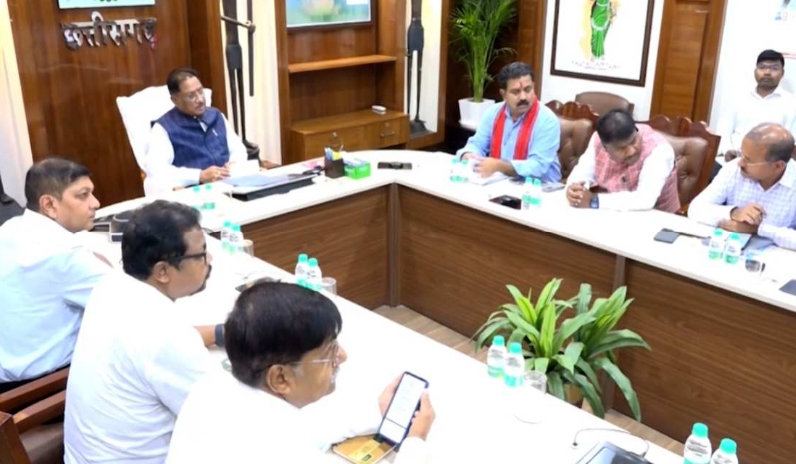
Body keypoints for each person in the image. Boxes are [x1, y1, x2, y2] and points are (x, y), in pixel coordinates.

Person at [166, 282, 435, 464]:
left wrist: (378, 415)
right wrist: (415, 443)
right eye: (329, 351)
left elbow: (303, 429)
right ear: (280, 378)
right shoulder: (285, 451)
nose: (342, 357)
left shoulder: (213, 385)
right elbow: (289, 442)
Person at [64, 200, 221, 464]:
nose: (210, 260)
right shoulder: (164, 333)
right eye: (201, 254)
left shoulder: (110, 286)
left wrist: (217, 332)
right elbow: (220, 415)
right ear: (162, 271)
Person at [0, 158, 108, 392]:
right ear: (49, 205)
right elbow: (130, 301)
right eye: (83, 195)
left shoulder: (10, 228)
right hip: (45, 388)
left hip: (8, 381)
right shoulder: (64, 254)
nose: (95, 203)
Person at [689, 123, 796, 250]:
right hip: (731, 247)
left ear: (778, 166)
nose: (740, 162)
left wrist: (759, 229)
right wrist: (734, 213)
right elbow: (695, 209)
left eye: (749, 160)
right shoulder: (734, 169)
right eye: (742, 154)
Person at [145, 67, 247, 191]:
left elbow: (238, 149)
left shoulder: (216, 115)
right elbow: (156, 169)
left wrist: (234, 164)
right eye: (191, 96)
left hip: (232, 185)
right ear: (175, 100)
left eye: (200, 91)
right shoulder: (164, 128)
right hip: (196, 191)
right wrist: (199, 175)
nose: (200, 99)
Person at [457, 62, 562, 182]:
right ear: (503, 94)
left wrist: (499, 166)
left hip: (539, 187)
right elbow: (477, 144)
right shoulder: (493, 113)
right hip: (499, 182)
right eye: (516, 92)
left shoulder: (547, 121)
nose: (523, 97)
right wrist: (468, 154)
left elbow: (538, 166)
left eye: (528, 90)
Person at [566, 109, 680, 212]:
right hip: (611, 212)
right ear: (606, 148)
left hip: (657, 218)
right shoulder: (598, 141)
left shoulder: (659, 150)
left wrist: (594, 200)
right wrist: (575, 191)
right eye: (621, 148)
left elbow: (644, 199)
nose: (631, 151)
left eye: (633, 141)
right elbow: (582, 173)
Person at [718, 50, 796, 162]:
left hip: (770, 164)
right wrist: (727, 151)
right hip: (733, 159)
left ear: (782, 73)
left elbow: (791, 141)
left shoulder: (791, 103)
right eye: (762, 67)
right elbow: (723, 129)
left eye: (774, 68)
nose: (767, 72)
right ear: (755, 71)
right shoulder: (738, 97)